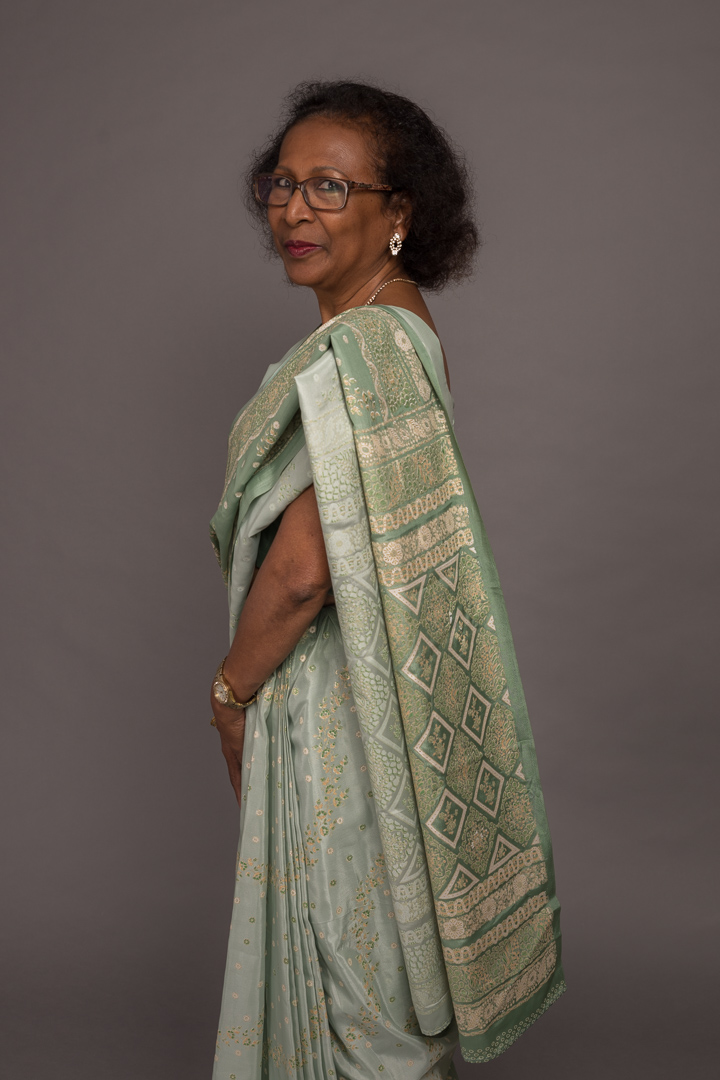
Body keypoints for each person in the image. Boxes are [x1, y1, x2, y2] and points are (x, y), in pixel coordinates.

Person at [208, 81, 565, 1080]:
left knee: (356, 988)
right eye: (282, 183)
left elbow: (304, 571)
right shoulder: (396, 330)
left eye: (330, 186)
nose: (295, 209)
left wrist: (229, 693)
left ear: (398, 211)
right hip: (375, 701)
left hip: (338, 711)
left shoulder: (370, 346)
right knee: (365, 978)